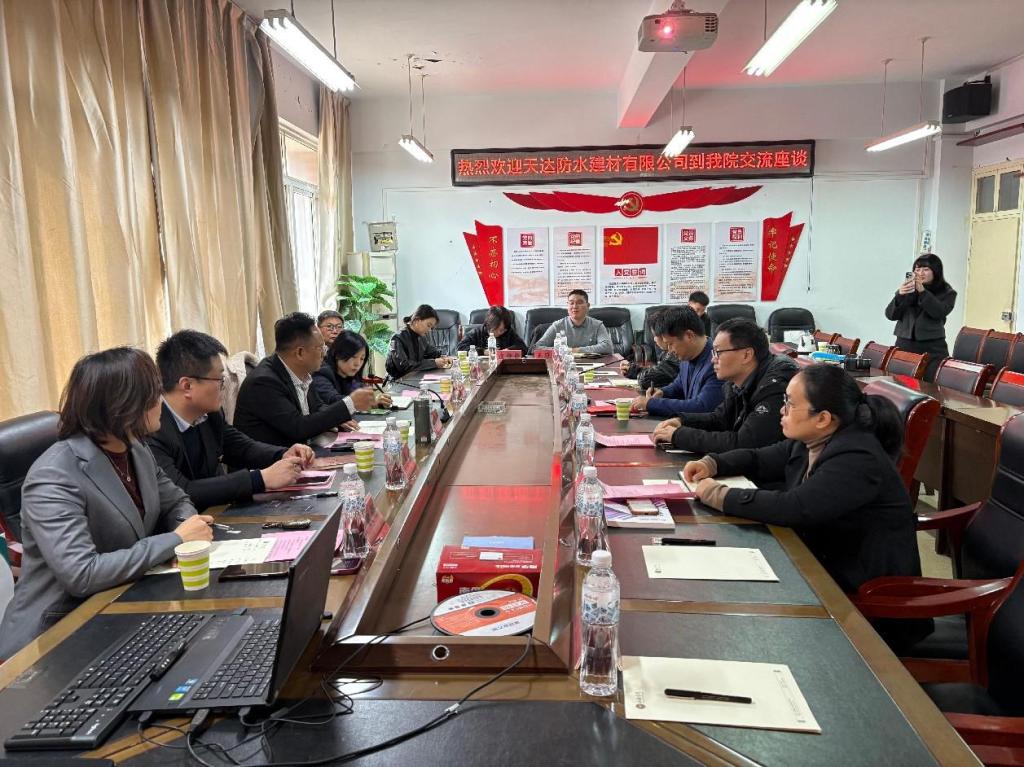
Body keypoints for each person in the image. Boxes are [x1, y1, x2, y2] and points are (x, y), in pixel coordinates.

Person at [682, 365, 928, 650]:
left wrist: (718, 495)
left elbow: (796, 507)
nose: (781, 410)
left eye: (790, 404)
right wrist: (713, 463)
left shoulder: (857, 457)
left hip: (866, 605)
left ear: (823, 418)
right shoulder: (814, 440)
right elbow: (759, 458)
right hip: (820, 571)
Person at [0, 348, 212, 657]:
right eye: (153, 394)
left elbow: (176, 501)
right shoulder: (53, 475)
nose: (161, 402)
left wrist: (186, 541)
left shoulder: (136, 449)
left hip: (119, 604)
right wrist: (176, 540)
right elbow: (82, 574)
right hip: (54, 635)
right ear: (123, 406)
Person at [148, 330, 316, 510]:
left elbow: (238, 446)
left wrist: (282, 454)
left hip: (217, 511)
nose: (224, 386)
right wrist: (260, 479)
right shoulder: (152, 428)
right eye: (219, 379)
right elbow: (182, 491)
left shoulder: (209, 413)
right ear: (187, 386)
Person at [652, 318, 797, 453]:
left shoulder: (775, 387)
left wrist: (679, 436)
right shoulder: (736, 382)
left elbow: (743, 443)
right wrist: (682, 421)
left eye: (718, 352)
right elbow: (720, 418)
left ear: (746, 355)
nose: (713, 359)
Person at [234, 313, 378, 446]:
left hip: (303, 451)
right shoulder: (264, 382)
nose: (324, 354)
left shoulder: (302, 373)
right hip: (273, 460)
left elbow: (318, 407)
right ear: (300, 353)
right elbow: (298, 428)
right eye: (320, 348)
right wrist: (350, 403)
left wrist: (338, 419)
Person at [630, 306, 723, 417]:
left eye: (670, 344)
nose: (669, 350)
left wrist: (651, 404)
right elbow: (680, 384)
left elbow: (702, 407)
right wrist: (663, 392)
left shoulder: (717, 363)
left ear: (689, 336)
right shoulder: (687, 355)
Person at [884, 253, 956, 382]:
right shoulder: (908, 289)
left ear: (936, 271)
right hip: (904, 343)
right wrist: (899, 296)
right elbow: (890, 315)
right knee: (901, 383)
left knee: (931, 384)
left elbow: (938, 312)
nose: (920, 273)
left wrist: (923, 291)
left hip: (932, 347)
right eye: (917, 269)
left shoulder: (947, 292)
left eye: (926, 269)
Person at [313, 330, 392, 430]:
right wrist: (367, 401)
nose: (357, 363)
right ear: (338, 354)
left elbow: (359, 392)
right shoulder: (322, 372)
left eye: (362, 358)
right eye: (354, 357)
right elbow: (333, 400)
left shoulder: (349, 373)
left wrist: (375, 399)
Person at [534, 290, 613, 354]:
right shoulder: (557, 326)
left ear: (588, 306)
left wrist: (576, 350)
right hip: (564, 365)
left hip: (593, 365)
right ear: (567, 306)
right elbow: (537, 347)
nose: (575, 306)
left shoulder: (597, 325)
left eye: (579, 302)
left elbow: (608, 347)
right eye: (571, 303)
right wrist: (563, 351)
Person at [385, 304, 453, 378]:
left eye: (431, 327)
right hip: (398, 380)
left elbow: (432, 353)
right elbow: (404, 366)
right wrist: (434, 363)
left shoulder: (421, 337)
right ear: (417, 320)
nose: (430, 330)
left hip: (415, 377)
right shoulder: (397, 338)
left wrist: (444, 358)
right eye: (428, 325)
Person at [457, 305, 528, 355]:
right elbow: (460, 348)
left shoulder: (508, 332)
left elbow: (523, 348)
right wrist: (483, 352)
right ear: (489, 325)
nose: (500, 332)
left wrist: (508, 350)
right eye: (498, 329)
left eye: (503, 330)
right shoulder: (477, 332)